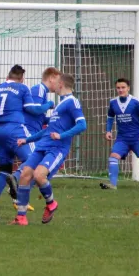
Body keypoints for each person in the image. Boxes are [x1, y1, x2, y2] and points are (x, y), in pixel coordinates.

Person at [0, 65, 54, 220]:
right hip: (15, 130)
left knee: (4, 169)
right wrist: (49, 105)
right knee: (35, 158)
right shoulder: (22, 88)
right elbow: (33, 110)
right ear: (21, 78)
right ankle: (17, 179)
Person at [14, 73, 87, 226]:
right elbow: (47, 131)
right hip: (43, 145)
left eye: (56, 81)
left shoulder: (72, 102)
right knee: (25, 175)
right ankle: (21, 218)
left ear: (61, 84)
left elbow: (82, 125)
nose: (52, 84)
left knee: (39, 175)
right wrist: (26, 140)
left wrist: (61, 136)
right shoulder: (59, 105)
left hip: (57, 148)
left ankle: (51, 203)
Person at [100, 78, 139, 190]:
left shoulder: (136, 102)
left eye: (123, 87)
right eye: (118, 88)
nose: (120, 90)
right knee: (113, 157)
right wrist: (108, 130)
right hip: (122, 138)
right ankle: (113, 185)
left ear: (128, 88)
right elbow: (110, 117)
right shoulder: (113, 102)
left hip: (137, 138)